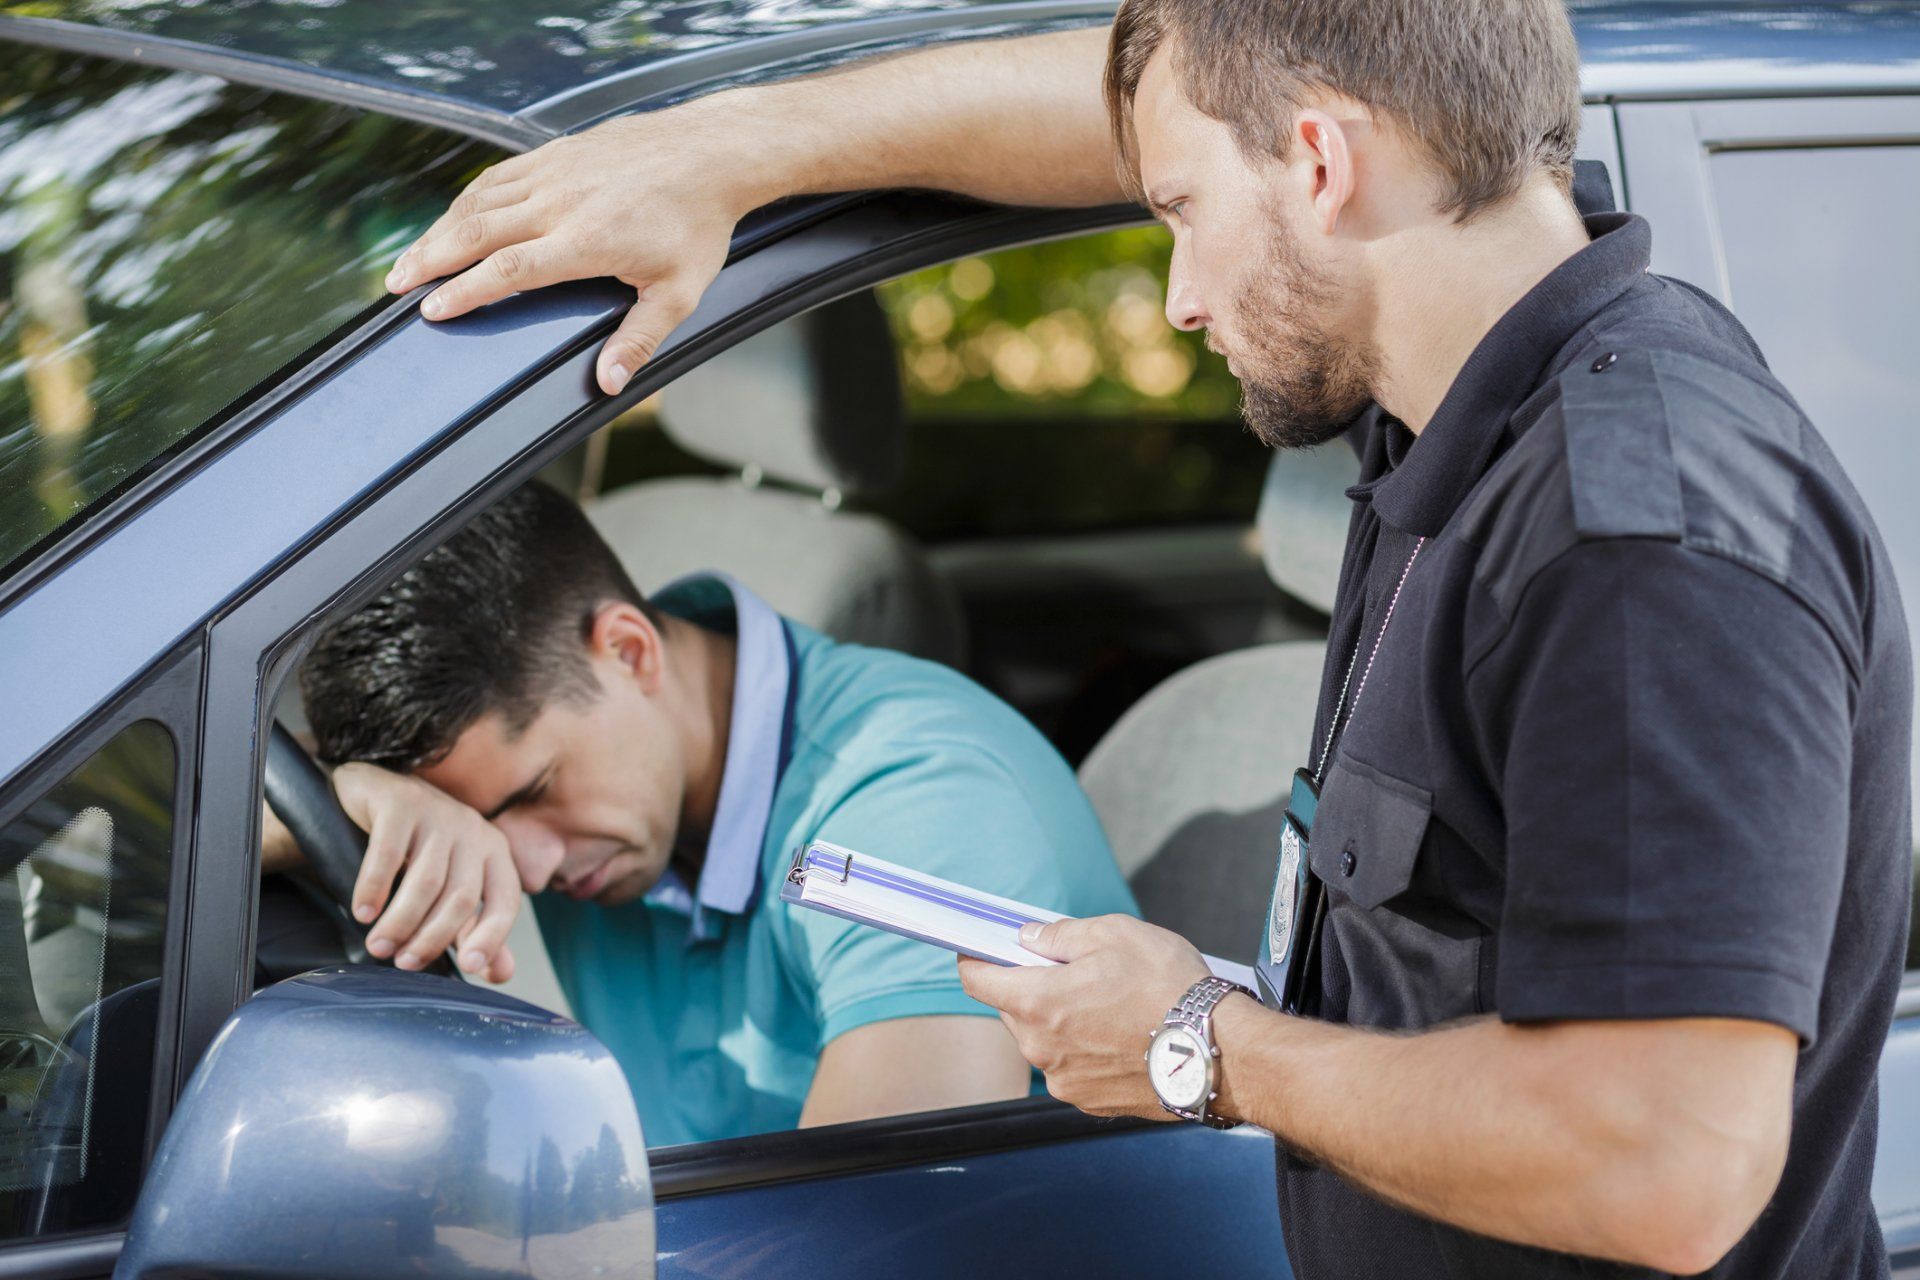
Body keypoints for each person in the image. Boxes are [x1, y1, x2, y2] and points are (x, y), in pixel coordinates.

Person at [381, 1, 1912, 1276]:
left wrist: (1204, 1042)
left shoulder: (1638, 538)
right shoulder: (1451, 415)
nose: (1173, 294)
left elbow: (1670, 1159)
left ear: (1320, 161)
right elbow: (1142, 101)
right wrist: (730, 152)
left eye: (1176, 212)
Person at [275, 481, 1137, 1146]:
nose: (525, 871)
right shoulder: (598, 793)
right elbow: (217, 816)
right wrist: (358, 798)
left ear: (628, 650)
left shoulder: (915, 801)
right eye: (470, 819)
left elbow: (863, 1240)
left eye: (533, 792)